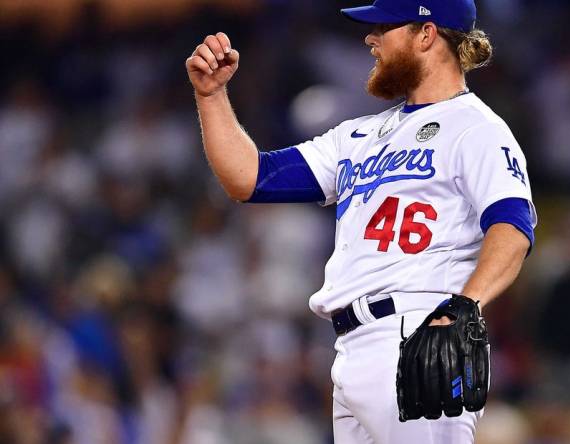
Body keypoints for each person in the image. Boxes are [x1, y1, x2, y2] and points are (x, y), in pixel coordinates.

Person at [185, 0, 536, 442]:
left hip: (420, 332)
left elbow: (513, 229)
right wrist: (211, 96)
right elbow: (249, 178)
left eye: (385, 26)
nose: (370, 39)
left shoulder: (477, 128)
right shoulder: (358, 136)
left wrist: (466, 306)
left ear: (426, 34)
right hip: (351, 348)